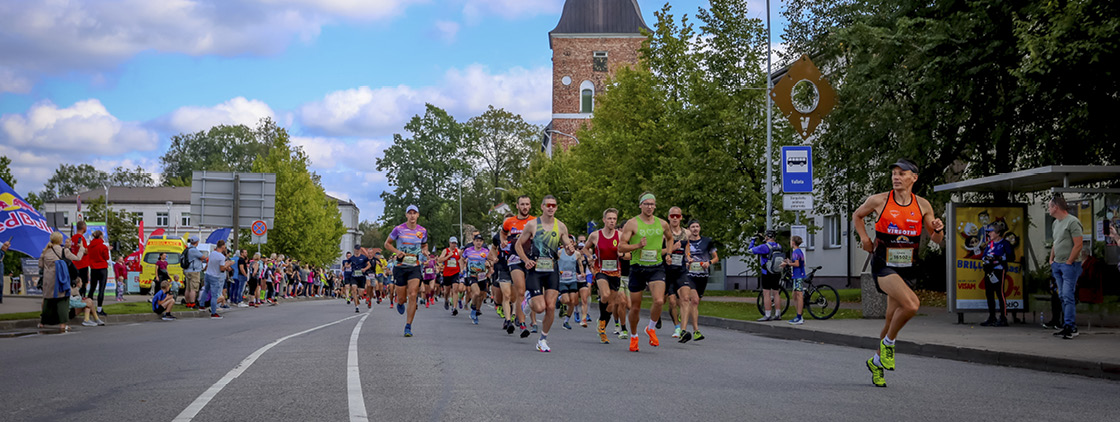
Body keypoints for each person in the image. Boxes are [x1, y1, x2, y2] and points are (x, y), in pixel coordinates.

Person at [853, 158, 945, 388]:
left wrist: (939, 231)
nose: (896, 177)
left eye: (902, 173)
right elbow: (857, 215)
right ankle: (889, 345)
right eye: (894, 173)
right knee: (912, 305)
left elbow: (935, 238)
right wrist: (865, 238)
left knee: (891, 317)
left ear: (914, 178)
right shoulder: (879, 200)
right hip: (884, 264)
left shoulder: (923, 205)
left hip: (908, 266)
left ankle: (876, 362)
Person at [515, 195, 575, 352]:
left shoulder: (561, 226)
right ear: (542, 206)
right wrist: (525, 260)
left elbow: (567, 247)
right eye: (547, 205)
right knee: (540, 308)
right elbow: (518, 245)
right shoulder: (532, 225)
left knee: (550, 306)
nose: (550, 208)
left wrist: (570, 249)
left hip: (552, 270)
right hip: (535, 270)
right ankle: (528, 302)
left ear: (556, 208)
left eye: (553, 205)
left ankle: (543, 339)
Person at [617, 192, 675, 352]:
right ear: (640, 205)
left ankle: (650, 328)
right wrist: (637, 246)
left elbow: (670, 238)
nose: (650, 207)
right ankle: (634, 336)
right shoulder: (632, 223)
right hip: (637, 268)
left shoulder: (662, 224)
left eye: (652, 204)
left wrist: (669, 254)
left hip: (656, 267)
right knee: (635, 307)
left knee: (658, 301)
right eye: (646, 204)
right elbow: (621, 247)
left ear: (655, 206)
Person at [384, 205, 430, 337]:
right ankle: (399, 302)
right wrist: (397, 251)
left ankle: (408, 326)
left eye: (414, 213)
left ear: (418, 215)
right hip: (400, 266)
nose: (412, 216)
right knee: (402, 298)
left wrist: (425, 251)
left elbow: (424, 244)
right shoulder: (399, 229)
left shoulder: (422, 231)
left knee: (413, 294)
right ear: (406, 215)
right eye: (409, 213)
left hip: (414, 266)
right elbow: (387, 244)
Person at [1048, 195, 1084, 339]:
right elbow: (1055, 243)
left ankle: (1070, 326)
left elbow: (1078, 244)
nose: (1048, 209)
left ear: (1056, 207)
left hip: (1069, 265)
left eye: (1049, 206)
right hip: (1057, 263)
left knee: (1068, 295)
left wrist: (1069, 261)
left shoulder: (1072, 222)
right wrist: (1051, 259)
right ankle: (1066, 324)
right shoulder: (1056, 223)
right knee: (1062, 295)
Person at [584, 208, 622, 344]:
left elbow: (626, 252)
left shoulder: (620, 235)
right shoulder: (595, 235)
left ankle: (602, 325)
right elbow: (585, 248)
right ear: (604, 220)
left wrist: (623, 254)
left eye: (614, 219)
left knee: (611, 304)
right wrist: (590, 256)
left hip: (615, 272)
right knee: (605, 295)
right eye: (609, 218)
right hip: (601, 270)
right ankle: (602, 324)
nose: (612, 221)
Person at [502, 196, 535, 337]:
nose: (525, 207)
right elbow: (502, 232)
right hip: (515, 259)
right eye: (522, 204)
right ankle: (522, 324)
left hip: (530, 259)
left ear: (530, 206)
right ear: (517, 206)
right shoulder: (510, 221)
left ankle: (520, 315)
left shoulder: (535, 221)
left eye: (527, 204)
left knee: (531, 292)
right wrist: (503, 241)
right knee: (520, 291)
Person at [40, 232, 85, 332]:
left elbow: (40, 265)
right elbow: (77, 258)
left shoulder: (45, 251)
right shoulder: (63, 250)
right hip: (60, 279)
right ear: (60, 240)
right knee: (63, 301)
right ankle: (62, 324)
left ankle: (42, 322)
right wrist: (81, 248)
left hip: (48, 279)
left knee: (48, 300)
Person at [683, 220, 717, 342]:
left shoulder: (707, 241)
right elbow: (683, 256)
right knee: (695, 301)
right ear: (688, 229)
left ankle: (685, 314)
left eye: (697, 226)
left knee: (695, 304)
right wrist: (687, 261)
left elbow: (716, 257)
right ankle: (696, 330)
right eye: (692, 227)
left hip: (703, 275)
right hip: (689, 274)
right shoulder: (685, 243)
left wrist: (709, 263)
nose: (695, 229)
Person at [663, 206, 689, 337]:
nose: (674, 218)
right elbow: (657, 251)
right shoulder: (664, 233)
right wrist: (670, 250)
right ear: (668, 217)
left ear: (681, 217)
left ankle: (682, 329)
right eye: (672, 215)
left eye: (677, 216)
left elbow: (687, 248)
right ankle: (661, 318)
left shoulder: (686, 233)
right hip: (667, 271)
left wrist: (689, 257)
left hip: (681, 270)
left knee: (685, 298)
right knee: (670, 301)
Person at [980, 223, 1012, 327]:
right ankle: (992, 317)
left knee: (1000, 293)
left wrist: (998, 259)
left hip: (999, 270)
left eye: (991, 231)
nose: (989, 233)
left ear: (998, 233)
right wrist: (987, 261)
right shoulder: (990, 244)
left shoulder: (1005, 243)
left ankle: (1003, 317)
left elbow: (1011, 257)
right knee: (989, 294)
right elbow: (984, 256)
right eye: (988, 232)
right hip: (989, 271)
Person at [748, 230, 783, 321]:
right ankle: (778, 314)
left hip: (766, 272)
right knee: (776, 293)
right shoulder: (779, 246)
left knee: (766, 293)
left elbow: (750, 250)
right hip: (777, 272)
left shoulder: (764, 247)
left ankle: (767, 314)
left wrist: (753, 240)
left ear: (767, 236)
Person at [463, 234, 491, 325]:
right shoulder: (468, 251)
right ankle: (473, 308)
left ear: (482, 242)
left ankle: (476, 309)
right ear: (474, 242)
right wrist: (462, 267)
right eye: (477, 240)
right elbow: (461, 258)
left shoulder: (486, 251)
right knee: (476, 292)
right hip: (472, 275)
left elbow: (492, 261)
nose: (479, 242)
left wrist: (489, 264)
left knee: (481, 296)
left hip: (482, 276)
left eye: (480, 241)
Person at [557, 235, 583, 330]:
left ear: (574, 243)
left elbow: (580, 264)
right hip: (562, 280)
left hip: (572, 279)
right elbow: (554, 263)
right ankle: (559, 299)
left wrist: (582, 272)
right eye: (567, 242)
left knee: (573, 301)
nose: (569, 244)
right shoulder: (560, 252)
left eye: (571, 242)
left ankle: (566, 321)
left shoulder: (577, 254)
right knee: (566, 300)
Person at [203, 240, 234, 319]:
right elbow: (222, 269)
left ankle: (206, 305)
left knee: (210, 291)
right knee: (216, 294)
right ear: (223, 247)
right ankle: (214, 310)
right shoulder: (221, 257)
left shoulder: (212, 254)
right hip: (216, 276)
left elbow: (209, 264)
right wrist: (229, 264)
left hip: (209, 275)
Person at [781, 236, 807, 325]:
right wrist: (789, 261)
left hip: (798, 275)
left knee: (799, 295)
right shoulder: (799, 251)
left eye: (790, 241)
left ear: (793, 243)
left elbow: (797, 264)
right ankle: (799, 315)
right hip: (798, 275)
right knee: (794, 295)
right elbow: (803, 263)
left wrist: (788, 263)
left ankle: (799, 317)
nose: (790, 242)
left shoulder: (795, 252)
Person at [438, 237, 462, 311]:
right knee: (447, 291)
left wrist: (462, 269)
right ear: (449, 243)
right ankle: (446, 300)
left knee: (455, 290)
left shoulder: (458, 251)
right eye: (452, 243)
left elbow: (461, 260)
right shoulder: (446, 251)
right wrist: (448, 256)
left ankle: (454, 307)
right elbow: (439, 260)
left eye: (455, 243)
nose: (454, 245)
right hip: (447, 273)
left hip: (455, 272)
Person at [347, 245, 371, 313]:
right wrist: (347, 265)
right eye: (356, 250)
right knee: (354, 290)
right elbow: (347, 264)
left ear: (360, 250)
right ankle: (356, 307)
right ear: (354, 250)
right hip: (354, 276)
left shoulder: (364, 257)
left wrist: (365, 269)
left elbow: (369, 265)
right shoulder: (352, 258)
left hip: (361, 277)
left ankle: (357, 298)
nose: (357, 251)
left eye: (358, 250)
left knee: (361, 294)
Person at [71, 221, 91, 296]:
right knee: (83, 281)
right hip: (82, 263)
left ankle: (75, 295)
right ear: (84, 228)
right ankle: (82, 296)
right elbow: (85, 251)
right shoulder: (81, 238)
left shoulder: (73, 237)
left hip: (74, 263)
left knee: (76, 281)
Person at [184, 236, 204, 309]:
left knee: (188, 288)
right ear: (197, 242)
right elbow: (203, 257)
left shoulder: (187, 249)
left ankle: (188, 303)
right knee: (193, 288)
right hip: (194, 271)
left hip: (187, 270)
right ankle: (192, 303)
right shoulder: (194, 250)